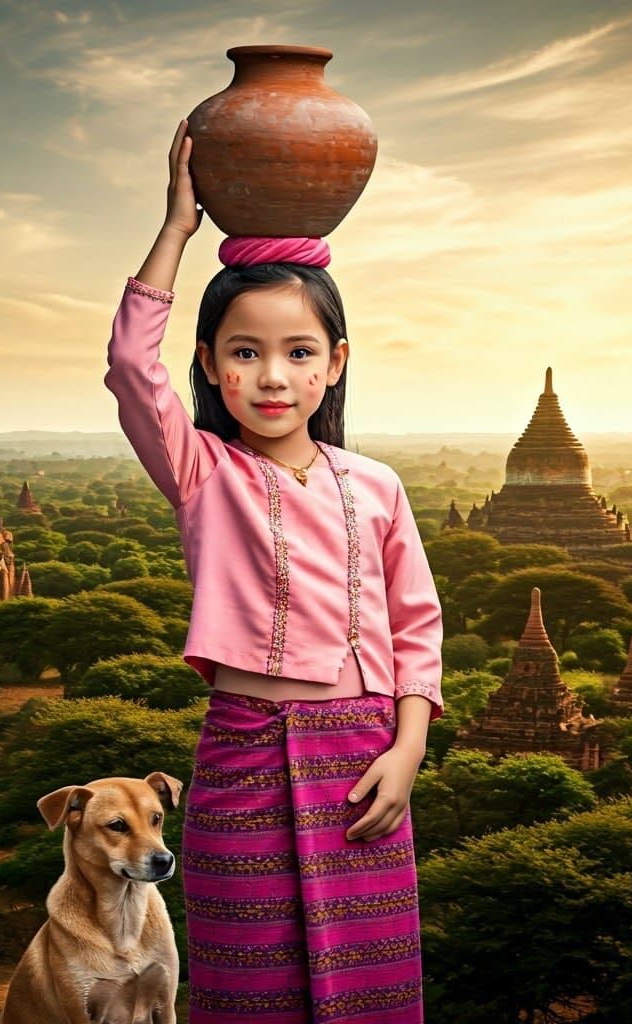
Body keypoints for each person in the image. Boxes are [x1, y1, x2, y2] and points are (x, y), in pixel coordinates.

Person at [104, 119, 443, 1024]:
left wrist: (407, 752)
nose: (271, 376)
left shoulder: (376, 485)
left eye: (298, 352)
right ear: (210, 365)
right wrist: (178, 229)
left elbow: (417, 630)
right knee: (247, 983)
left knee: (366, 986)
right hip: (245, 750)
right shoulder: (202, 471)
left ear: (335, 364)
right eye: (244, 352)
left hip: (363, 756)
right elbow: (132, 370)